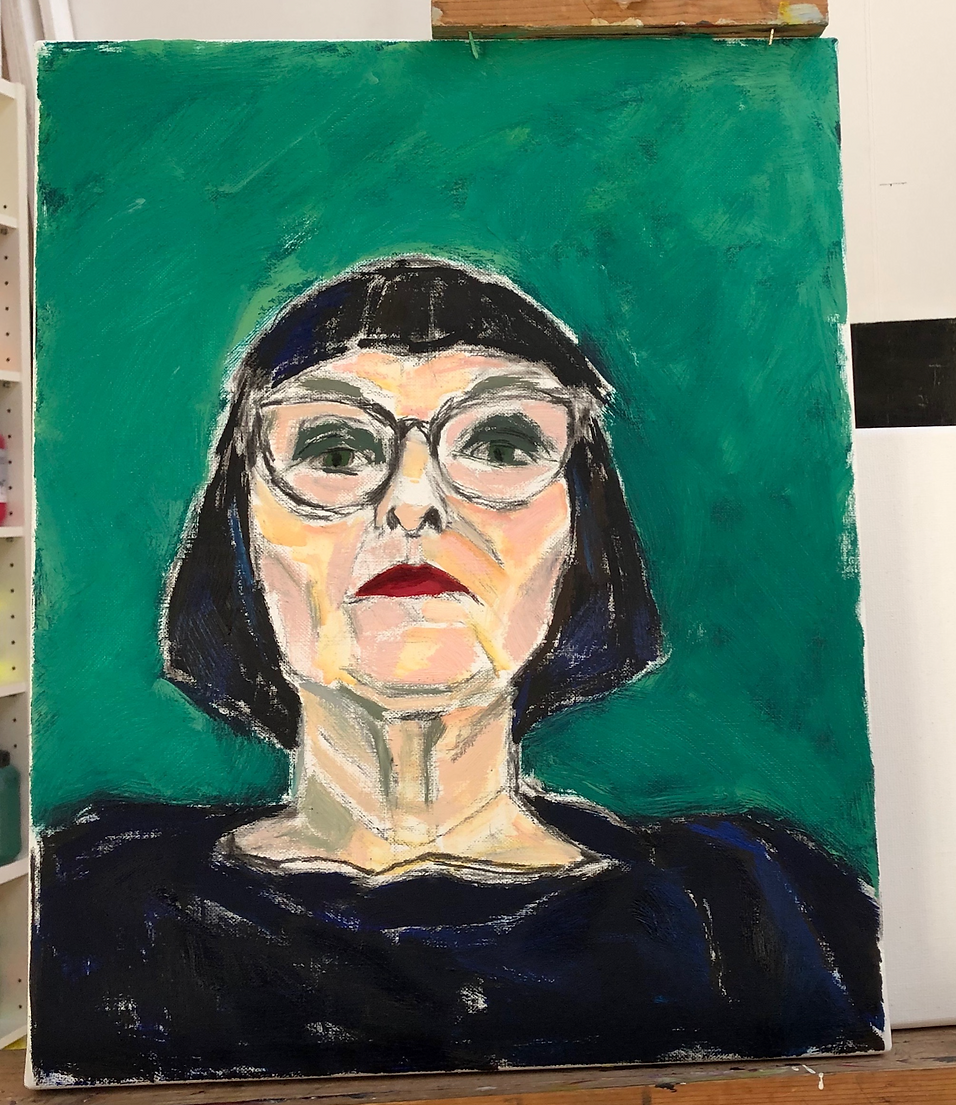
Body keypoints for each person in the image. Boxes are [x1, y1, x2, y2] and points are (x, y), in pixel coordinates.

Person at [30, 257, 884, 1087]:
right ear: (240, 538)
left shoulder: (760, 904)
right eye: (334, 448)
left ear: (584, 535)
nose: (412, 501)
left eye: (502, 442)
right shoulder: (87, 898)